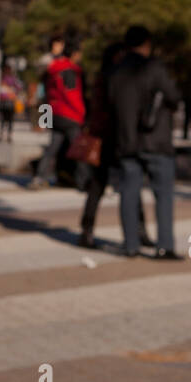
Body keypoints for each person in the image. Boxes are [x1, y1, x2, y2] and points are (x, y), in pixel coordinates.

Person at [109, 25, 181, 259]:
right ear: (147, 44)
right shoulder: (155, 68)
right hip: (156, 140)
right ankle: (164, 245)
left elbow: (111, 104)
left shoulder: (116, 71)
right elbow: (173, 97)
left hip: (126, 140)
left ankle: (130, 245)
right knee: (163, 194)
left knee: (129, 192)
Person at [79, 42, 149, 249]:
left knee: (100, 186)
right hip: (113, 138)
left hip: (107, 137)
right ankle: (139, 230)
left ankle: (88, 230)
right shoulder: (115, 79)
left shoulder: (103, 78)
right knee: (126, 183)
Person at [28, 35, 84, 189]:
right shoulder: (68, 70)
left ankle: (40, 177)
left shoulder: (52, 68)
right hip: (69, 113)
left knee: (53, 146)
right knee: (78, 148)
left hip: (54, 111)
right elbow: (71, 95)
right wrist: (81, 114)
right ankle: (84, 180)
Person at [0, 65, 23, 141]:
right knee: (10, 120)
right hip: (11, 101)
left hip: (3, 101)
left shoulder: (2, 79)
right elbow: (19, 88)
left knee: (3, 119)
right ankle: (9, 135)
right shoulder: (13, 79)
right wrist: (13, 92)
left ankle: (1, 135)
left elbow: (0, 91)